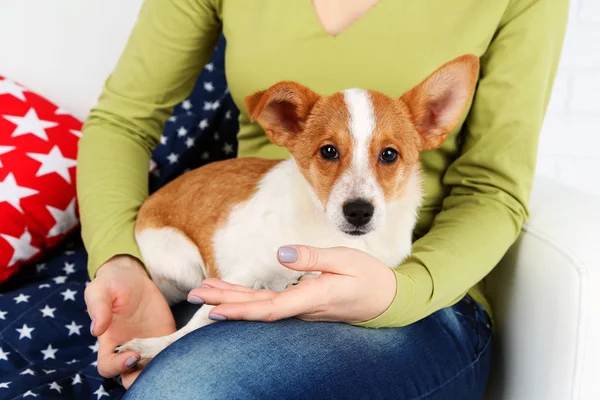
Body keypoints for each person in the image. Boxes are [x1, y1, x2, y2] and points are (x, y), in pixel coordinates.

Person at [78, 0, 568, 398]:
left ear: (430, 123)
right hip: (244, 249)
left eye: (388, 155)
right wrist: (118, 261)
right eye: (331, 152)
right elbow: (123, 120)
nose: (358, 193)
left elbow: (493, 188)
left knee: (187, 390)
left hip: (427, 294)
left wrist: (400, 293)